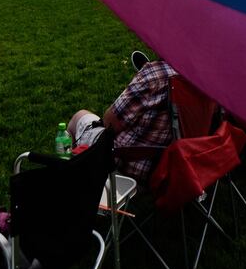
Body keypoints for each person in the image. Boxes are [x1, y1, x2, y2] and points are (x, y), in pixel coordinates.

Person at [67, 52, 176, 182]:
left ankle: (71, 182)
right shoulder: (200, 83)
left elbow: (109, 123)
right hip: (163, 168)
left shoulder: (155, 74)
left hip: (123, 162)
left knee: (79, 117)